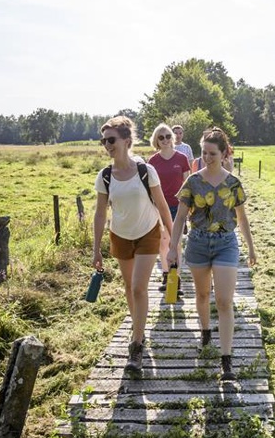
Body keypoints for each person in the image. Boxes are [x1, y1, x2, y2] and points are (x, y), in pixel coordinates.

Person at [167, 127, 256, 381]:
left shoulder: (233, 183)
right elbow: (181, 216)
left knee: (225, 301)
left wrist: (250, 246)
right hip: (197, 243)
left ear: (224, 153)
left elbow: (242, 218)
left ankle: (226, 359)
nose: (207, 158)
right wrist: (172, 248)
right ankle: (205, 330)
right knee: (203, 294)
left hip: (226, 243)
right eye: (204, 153)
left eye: (212, 153)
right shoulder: (193, 181)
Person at [93, 116, 174, 374]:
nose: (107, 144)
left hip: (148, 232)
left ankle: (136, 345)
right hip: (120, 235)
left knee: (139, 287)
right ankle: (139, 328)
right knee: (129, 287)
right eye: (104, 140)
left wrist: (172, 239)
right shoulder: (105, 176)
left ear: (127, 141)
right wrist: (96, 249)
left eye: (112, 139)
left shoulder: (145, 171)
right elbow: (99, 213)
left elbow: (162, 205)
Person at [147, 123, 190, 291]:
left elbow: (188, 183)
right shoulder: (153, 161)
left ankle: (176, 278)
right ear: (156, 141)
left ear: (172, 138)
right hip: (159, 207)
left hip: (178, 207)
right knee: (163, 242)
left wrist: (189, 206)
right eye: (161, 137)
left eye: (168, 136)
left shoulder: (181, 158)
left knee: (176, 242)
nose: (165, 140)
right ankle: (166, 275)